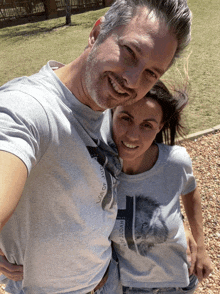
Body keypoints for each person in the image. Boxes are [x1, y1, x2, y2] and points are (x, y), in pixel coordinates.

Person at [0, 0, 192, 293]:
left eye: (151, 73)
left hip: (107, 281)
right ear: (97, 32)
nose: (131, 80)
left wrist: (180, 228)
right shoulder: (28, 107)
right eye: (129, 52)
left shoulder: (108, 112)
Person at [98, 80, 213, 293]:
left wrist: (201, 248)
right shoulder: (97, 170)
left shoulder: (175, 162)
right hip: (131, 286)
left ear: (160, 127)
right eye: (126, 118)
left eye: (147, 125)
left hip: (180, 280)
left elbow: (190, 190)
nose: (133, 135)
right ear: (112, 113)